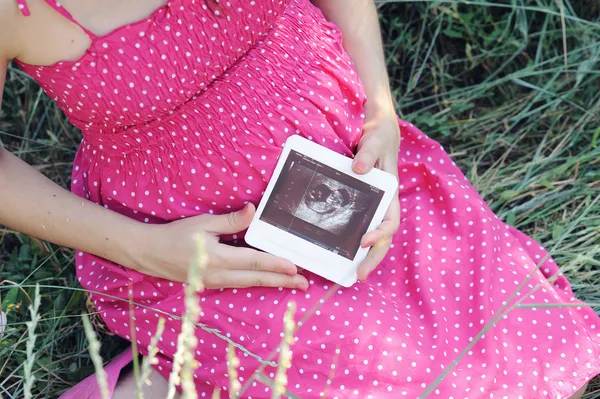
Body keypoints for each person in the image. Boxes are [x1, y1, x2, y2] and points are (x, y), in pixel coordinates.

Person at [0, 0, 597, 397]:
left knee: (517, 346)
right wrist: (146, 249)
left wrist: (380, 113)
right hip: (193, 236)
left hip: (338, 151)